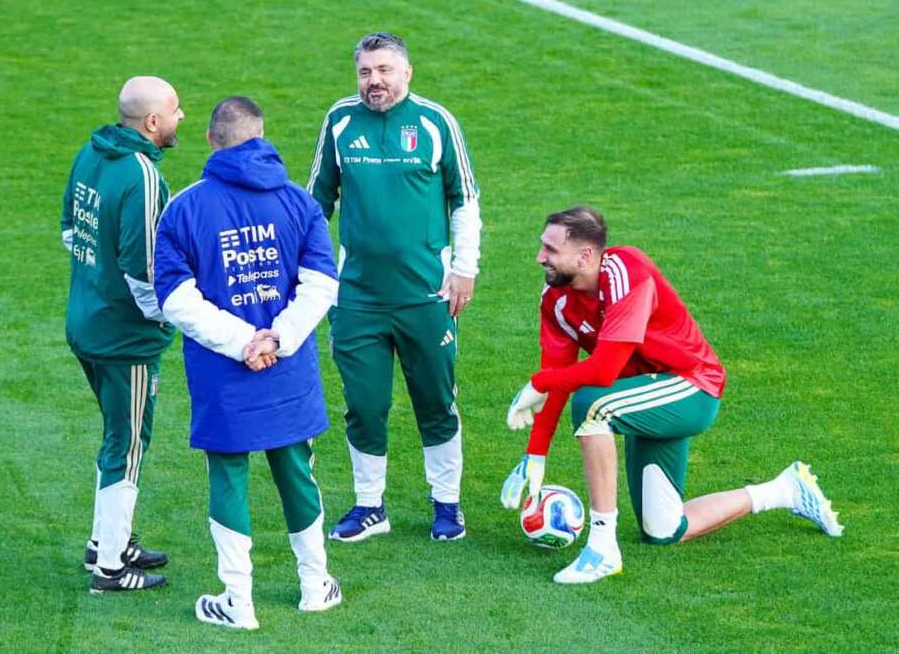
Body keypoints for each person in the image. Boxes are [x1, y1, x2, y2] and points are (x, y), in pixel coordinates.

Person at [502, 206, 843, 584]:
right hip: (645, 399)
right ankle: (785, 490)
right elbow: (556, 373)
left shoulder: (628, 272)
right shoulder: (556, 298)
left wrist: (538, 383)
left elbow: (601, 372)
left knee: (591, 404)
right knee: (664, 530)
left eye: (550, 249)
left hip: (692, 387)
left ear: (585, 255)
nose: (540, 257)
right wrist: (535, 455)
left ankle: (602, 549)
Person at [154, 96, 342, 630]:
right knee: (296, 470)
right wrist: (276, 340)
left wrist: (244, 344)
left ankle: (237, 601)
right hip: (287, 365)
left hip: (223, 371)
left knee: (229, 477)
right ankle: (314, 585)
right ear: (261, 136)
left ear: (213, 139)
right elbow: (321, 285)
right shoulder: (299, 202)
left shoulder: (185, 207)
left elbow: (176, 300)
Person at [308, 32, 482, 542]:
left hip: (426, 294)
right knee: (364, 404)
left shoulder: (435, 122)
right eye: (365, 72)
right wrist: (317, 277)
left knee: (436, 401)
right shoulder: (340, 121)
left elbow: (464, 200)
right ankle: (369, 507)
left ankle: (447, 505)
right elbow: (316, 204)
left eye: (384, 70)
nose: (374, 81)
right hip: (357, 297)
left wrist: (464, 268)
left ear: (407, 72)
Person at [61, 75, 184, 594]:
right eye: (176, 111)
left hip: (85, 321)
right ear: (152, 122)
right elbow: (144, 270)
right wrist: (164, 319)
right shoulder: (143, 175)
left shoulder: (91, 153)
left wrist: (97, 282)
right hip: (123, 339)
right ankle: (110, 567)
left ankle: (104, 541)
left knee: (116, 437)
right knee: (128, 446)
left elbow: (71, 230)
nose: (183, 118)